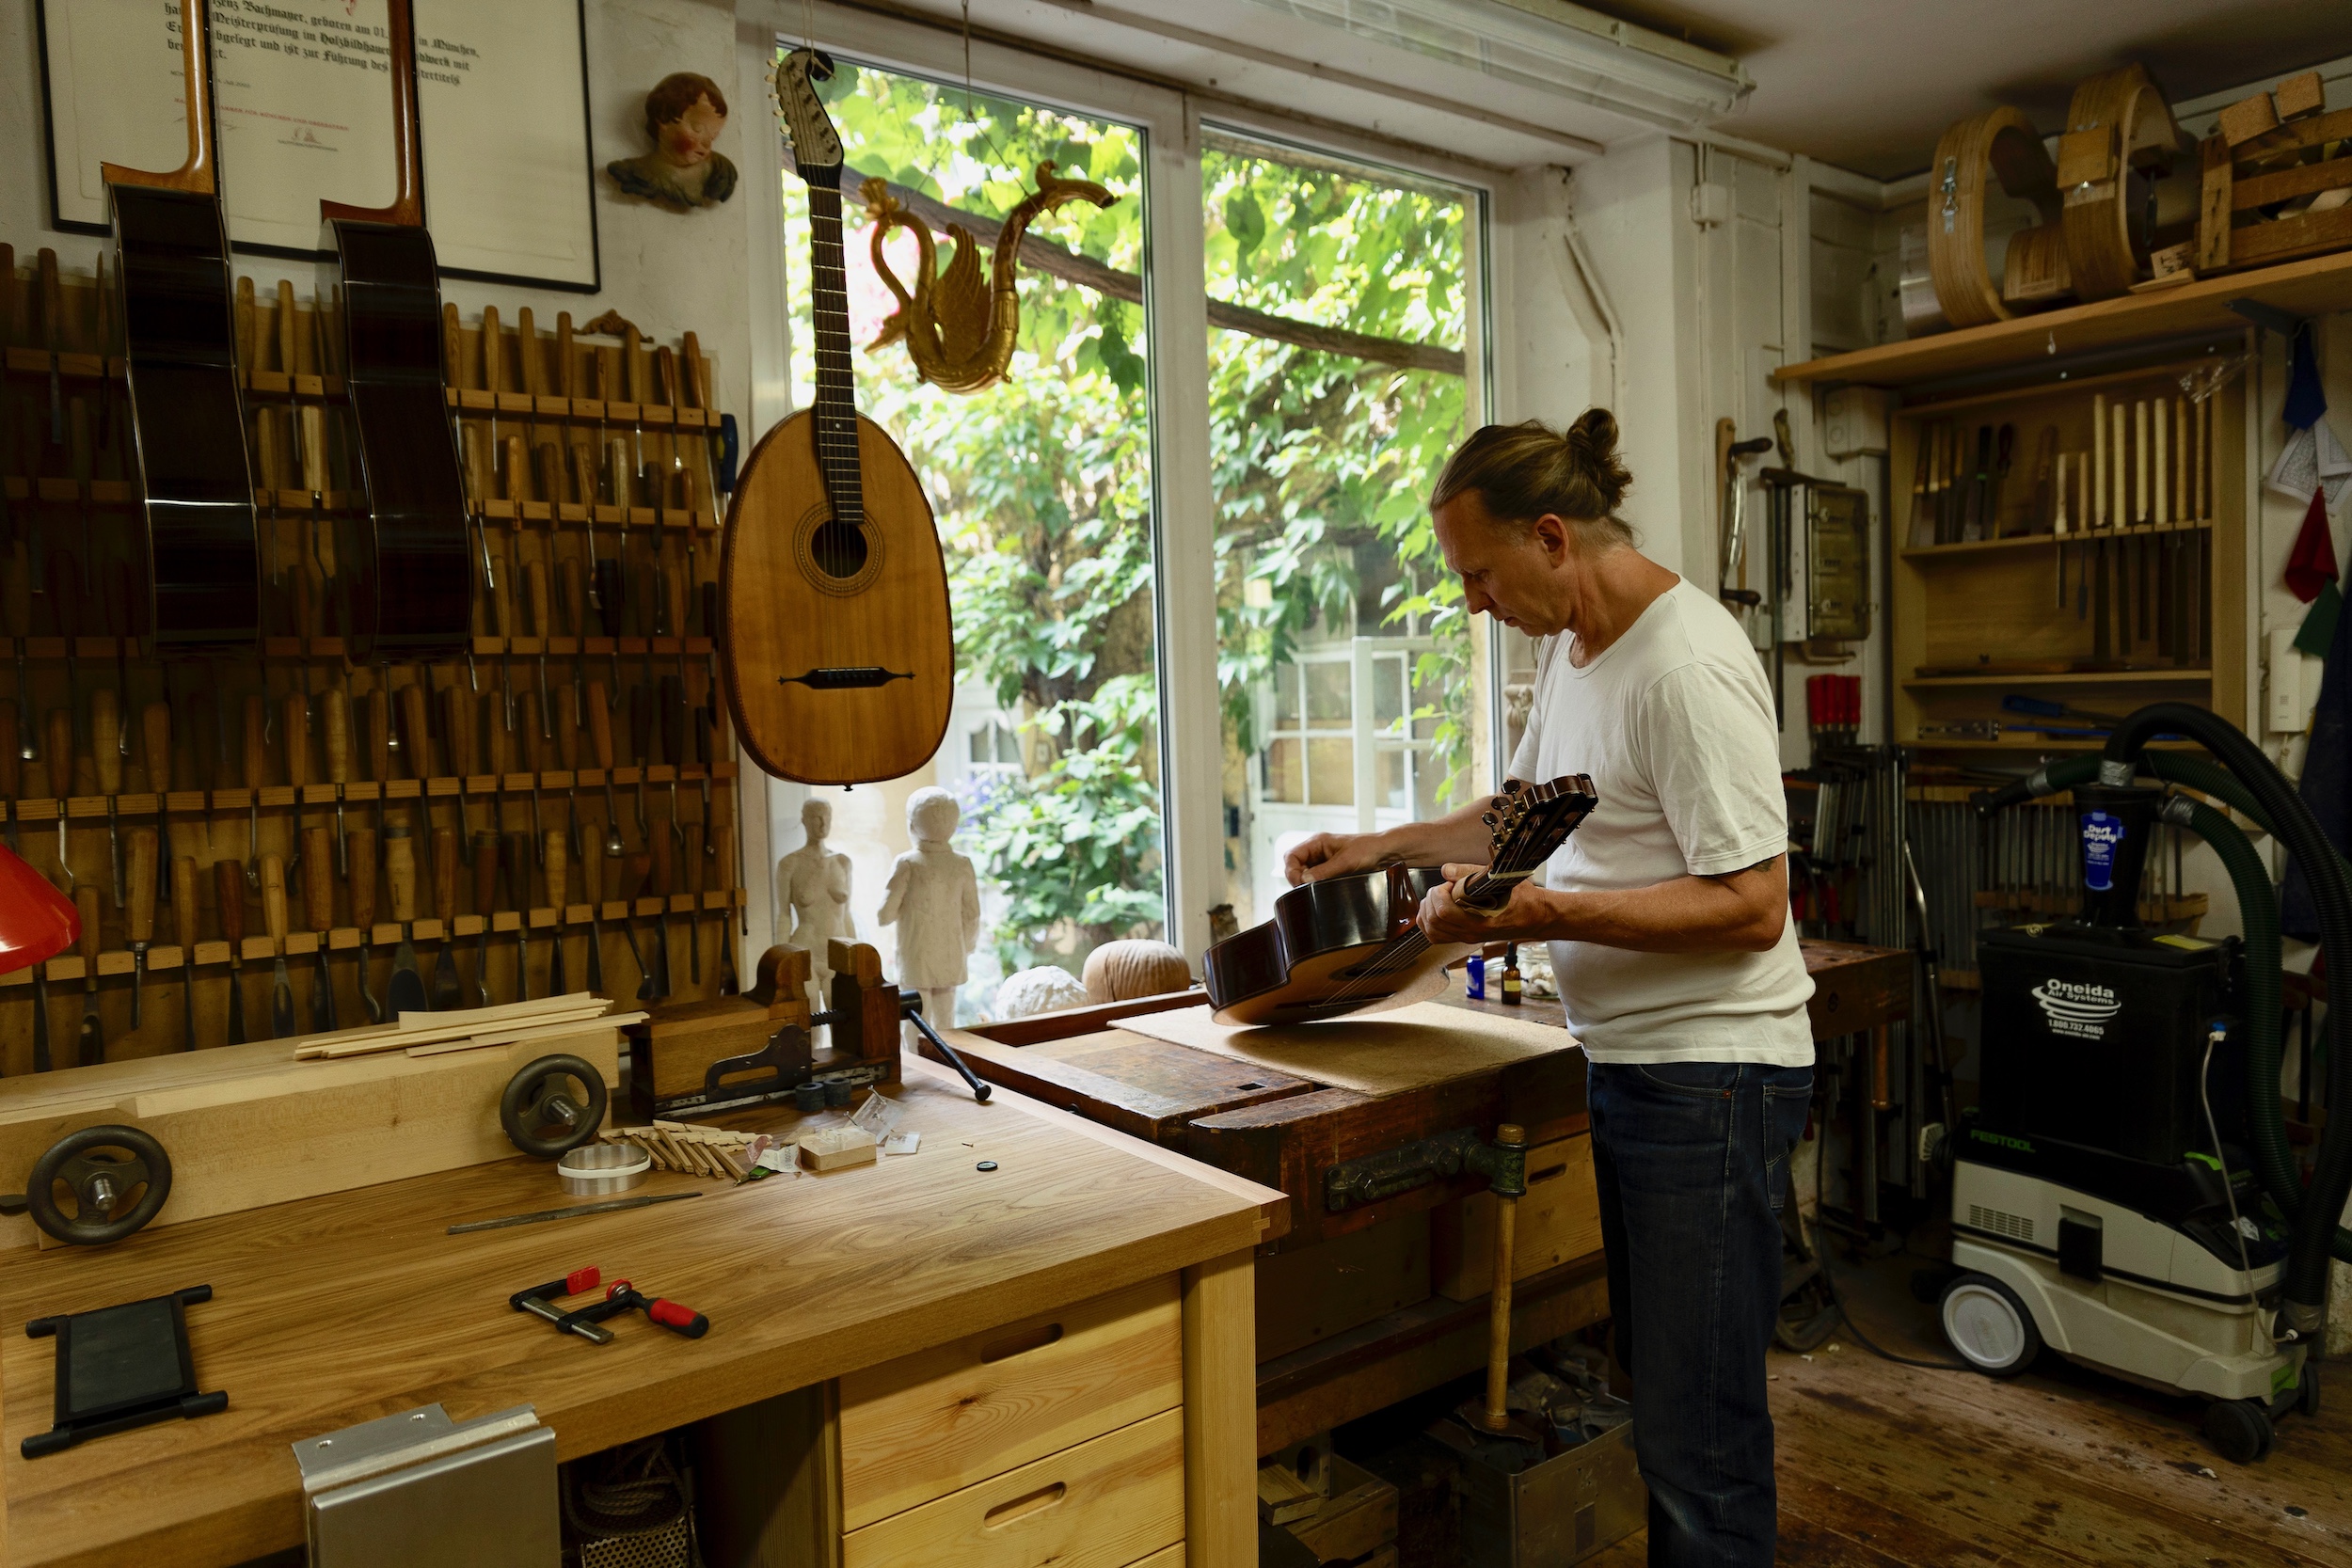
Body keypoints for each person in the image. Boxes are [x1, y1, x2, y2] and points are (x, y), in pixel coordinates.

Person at [1285, 410, 1813, 1568]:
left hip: (1712, 1078)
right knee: (1661, 1396)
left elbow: (1752, 904)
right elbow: (1523, 812)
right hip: (1639, 1066)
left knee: (1698, 1435)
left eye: (1479, 572)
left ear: (1552, 536)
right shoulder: (1572, 646)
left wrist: (1546, 911)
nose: (1472, 601)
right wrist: (1381, 845)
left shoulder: (1683, 666)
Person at [606, 72, 738, 211]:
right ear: (663, 117)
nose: (707, 144)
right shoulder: (640, 172)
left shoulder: (719, 170)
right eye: (697, 129)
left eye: (713, 136)